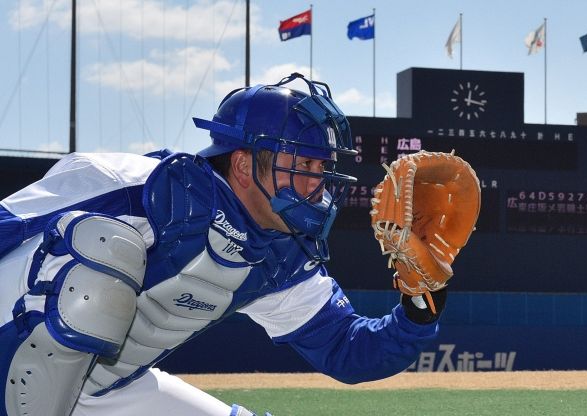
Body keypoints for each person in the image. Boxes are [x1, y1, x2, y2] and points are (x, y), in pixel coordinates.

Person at [0, 73, 447, 416]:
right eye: (305, 163)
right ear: (242, 163)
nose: (318, 183)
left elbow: (348, 350)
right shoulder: (137, 186)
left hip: (102, 388)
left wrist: (416, 312)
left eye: (323, 167)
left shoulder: (282, 256)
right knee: (102, 249)